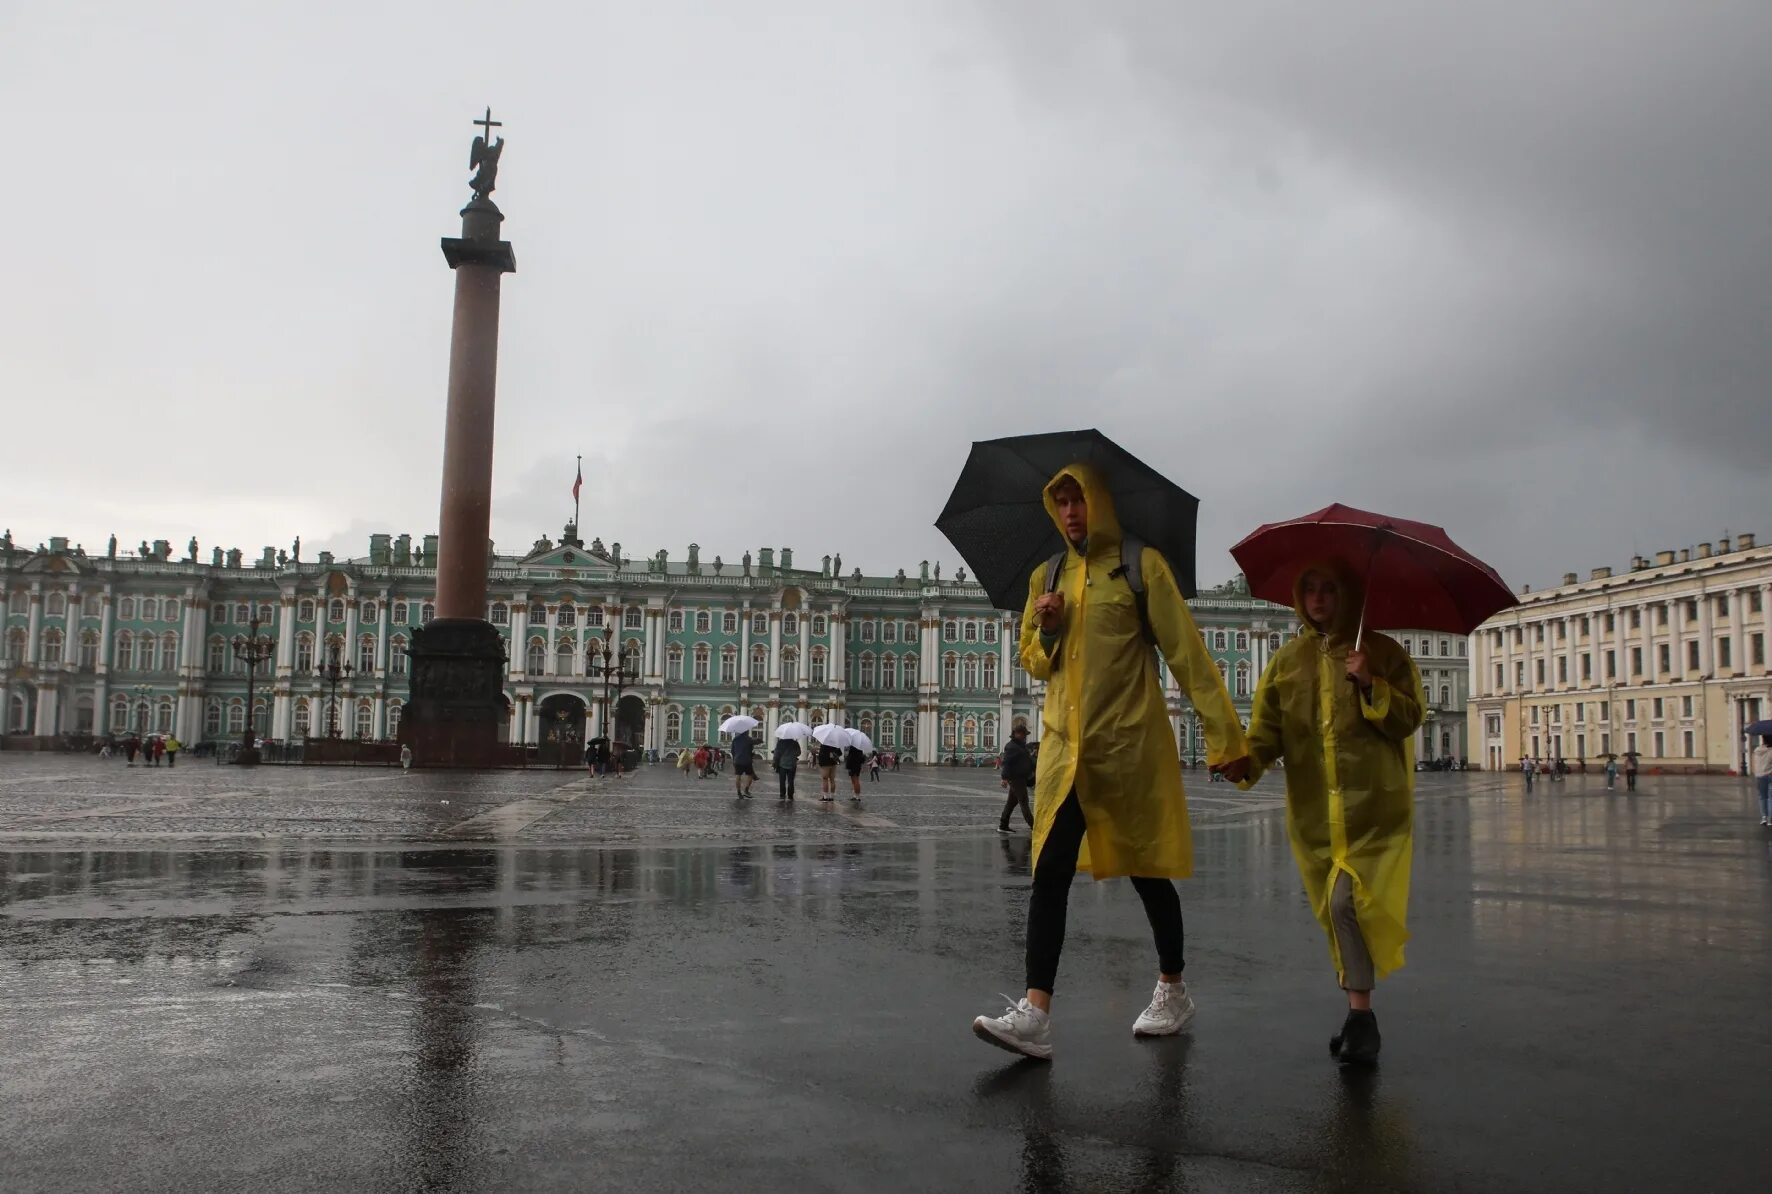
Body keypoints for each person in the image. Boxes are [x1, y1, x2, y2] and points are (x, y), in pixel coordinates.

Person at [971, 464, 1249, 1061]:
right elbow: (1034, 662)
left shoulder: (1141, 567)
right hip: (1064, 754)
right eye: (1061, 502)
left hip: (1126, 750)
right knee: (1048, 874)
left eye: (1079, 500)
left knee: (1147, 872)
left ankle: (1172, 988)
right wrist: (1047, 630)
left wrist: (1226, 739)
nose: (1071, 512)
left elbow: (1188, 655)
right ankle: (1036, 1013)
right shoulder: (1047, 576)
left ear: (1100, 503)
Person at [1240, 562, 1424, 1067]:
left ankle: (1362, 1017)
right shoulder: (1286, 662)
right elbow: (1264, 735)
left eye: (1329, 589)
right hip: (1316, 814)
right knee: (1334, 910)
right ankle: (1355, 1014)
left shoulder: (1383, 652)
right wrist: (1243, 762)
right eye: (1310, 590)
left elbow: (1410, 719)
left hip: (1374, 807)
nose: (1319, 599)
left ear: (1349, 594)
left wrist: (1371, 685)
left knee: (1349, 904)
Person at [998, 724, 1035, 833]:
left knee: (1011, 803)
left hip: (1020, 778)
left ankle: (1003, 825)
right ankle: (1034, 826)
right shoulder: (1012, 746)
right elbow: (1007, 763)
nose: (1024, 736)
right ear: (1016, 734)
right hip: (1016, 779)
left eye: (1025, 734)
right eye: (1023, 734)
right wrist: (1004, 778)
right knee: (1024, 801)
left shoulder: (1020, 746)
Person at [732, 730, 757, 800]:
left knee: (738, 776)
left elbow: (732, 750)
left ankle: (739, 792)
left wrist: (734, 758)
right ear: (747, 732)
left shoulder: (735, 739)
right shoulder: (749, 739)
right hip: (747, 760)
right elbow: (751, 749)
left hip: (737, 760)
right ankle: (746, 790)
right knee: (750, 775)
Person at [773, 735, 800, 800]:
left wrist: (775, 762)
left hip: (782, 764)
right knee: (791, 781)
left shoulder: (780, 742)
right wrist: (793, 754)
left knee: (782, 780)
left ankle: (782, 795)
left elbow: (776, 754)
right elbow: (799, 753)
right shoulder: (795, 743)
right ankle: (790, 795)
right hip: (792, 764)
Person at [1753, 736, 1772, 827]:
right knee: (1770, 798)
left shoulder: (1757, 751)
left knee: (1762, 797)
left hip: (1760, 776)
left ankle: (1764, 817)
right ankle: (1770, 820)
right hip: (1770, 775)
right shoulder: (1771, 751)